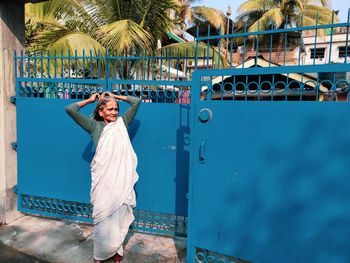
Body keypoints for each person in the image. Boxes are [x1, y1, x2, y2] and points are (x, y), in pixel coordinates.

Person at [65, 92, 141, 263]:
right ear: (101, 112)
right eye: (110, 109)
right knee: (102, 217)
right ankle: (99, 255)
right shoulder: (94, 126)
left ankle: (116, 249)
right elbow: (70, 109)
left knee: (120, 214)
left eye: (116, 109)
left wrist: (115, 95)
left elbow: (136, 102)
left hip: (121, 179)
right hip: (103, 180)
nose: (114, 112)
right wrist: (91, 100)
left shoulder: (122, 123)